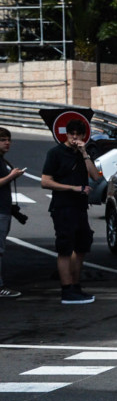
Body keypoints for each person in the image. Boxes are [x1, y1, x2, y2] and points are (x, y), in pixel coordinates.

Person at [41, 119, 102, 305]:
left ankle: (75, 286)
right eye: (71, 133)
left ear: (83, 135)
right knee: (65, 248)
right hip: (63, 207)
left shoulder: (84, 153)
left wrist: (84, 153)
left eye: (78, 134)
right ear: (66, 134)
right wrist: (72, 188)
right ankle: (66, 290)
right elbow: (45, 181)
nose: (74, 137)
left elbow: (95, 176)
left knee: (82, 245)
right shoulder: (55, 153)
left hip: (80, 207)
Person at [0, 127, 27, 298]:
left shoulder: (3, 160)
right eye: (3, 139)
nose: (7, 142)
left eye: (9, 139)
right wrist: (11, 176)